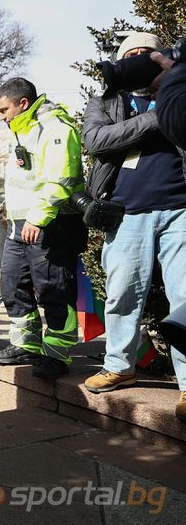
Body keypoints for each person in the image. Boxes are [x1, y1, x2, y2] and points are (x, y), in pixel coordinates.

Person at [80, 32, 186, 421]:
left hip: (181, 209)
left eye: (148, 53)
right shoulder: (107, 100)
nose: (141, 58)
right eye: (132, 54)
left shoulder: (180, 89)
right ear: (121, 62)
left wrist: (174, 84)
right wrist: (157, 118)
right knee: (122, 294)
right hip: (127, 212)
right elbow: (96, 140)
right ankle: (119, 366)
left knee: (185, 298)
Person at [0, 77, 87, 379]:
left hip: (49, 222)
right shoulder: (21, 130)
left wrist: (38, 217)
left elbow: (61, 178)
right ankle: (26, 345)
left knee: (53, 288)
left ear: (23, 103)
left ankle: (57, 353)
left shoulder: (55, 127)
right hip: (21, 223)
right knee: (12, 284)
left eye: (4, 110)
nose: (2, 117)